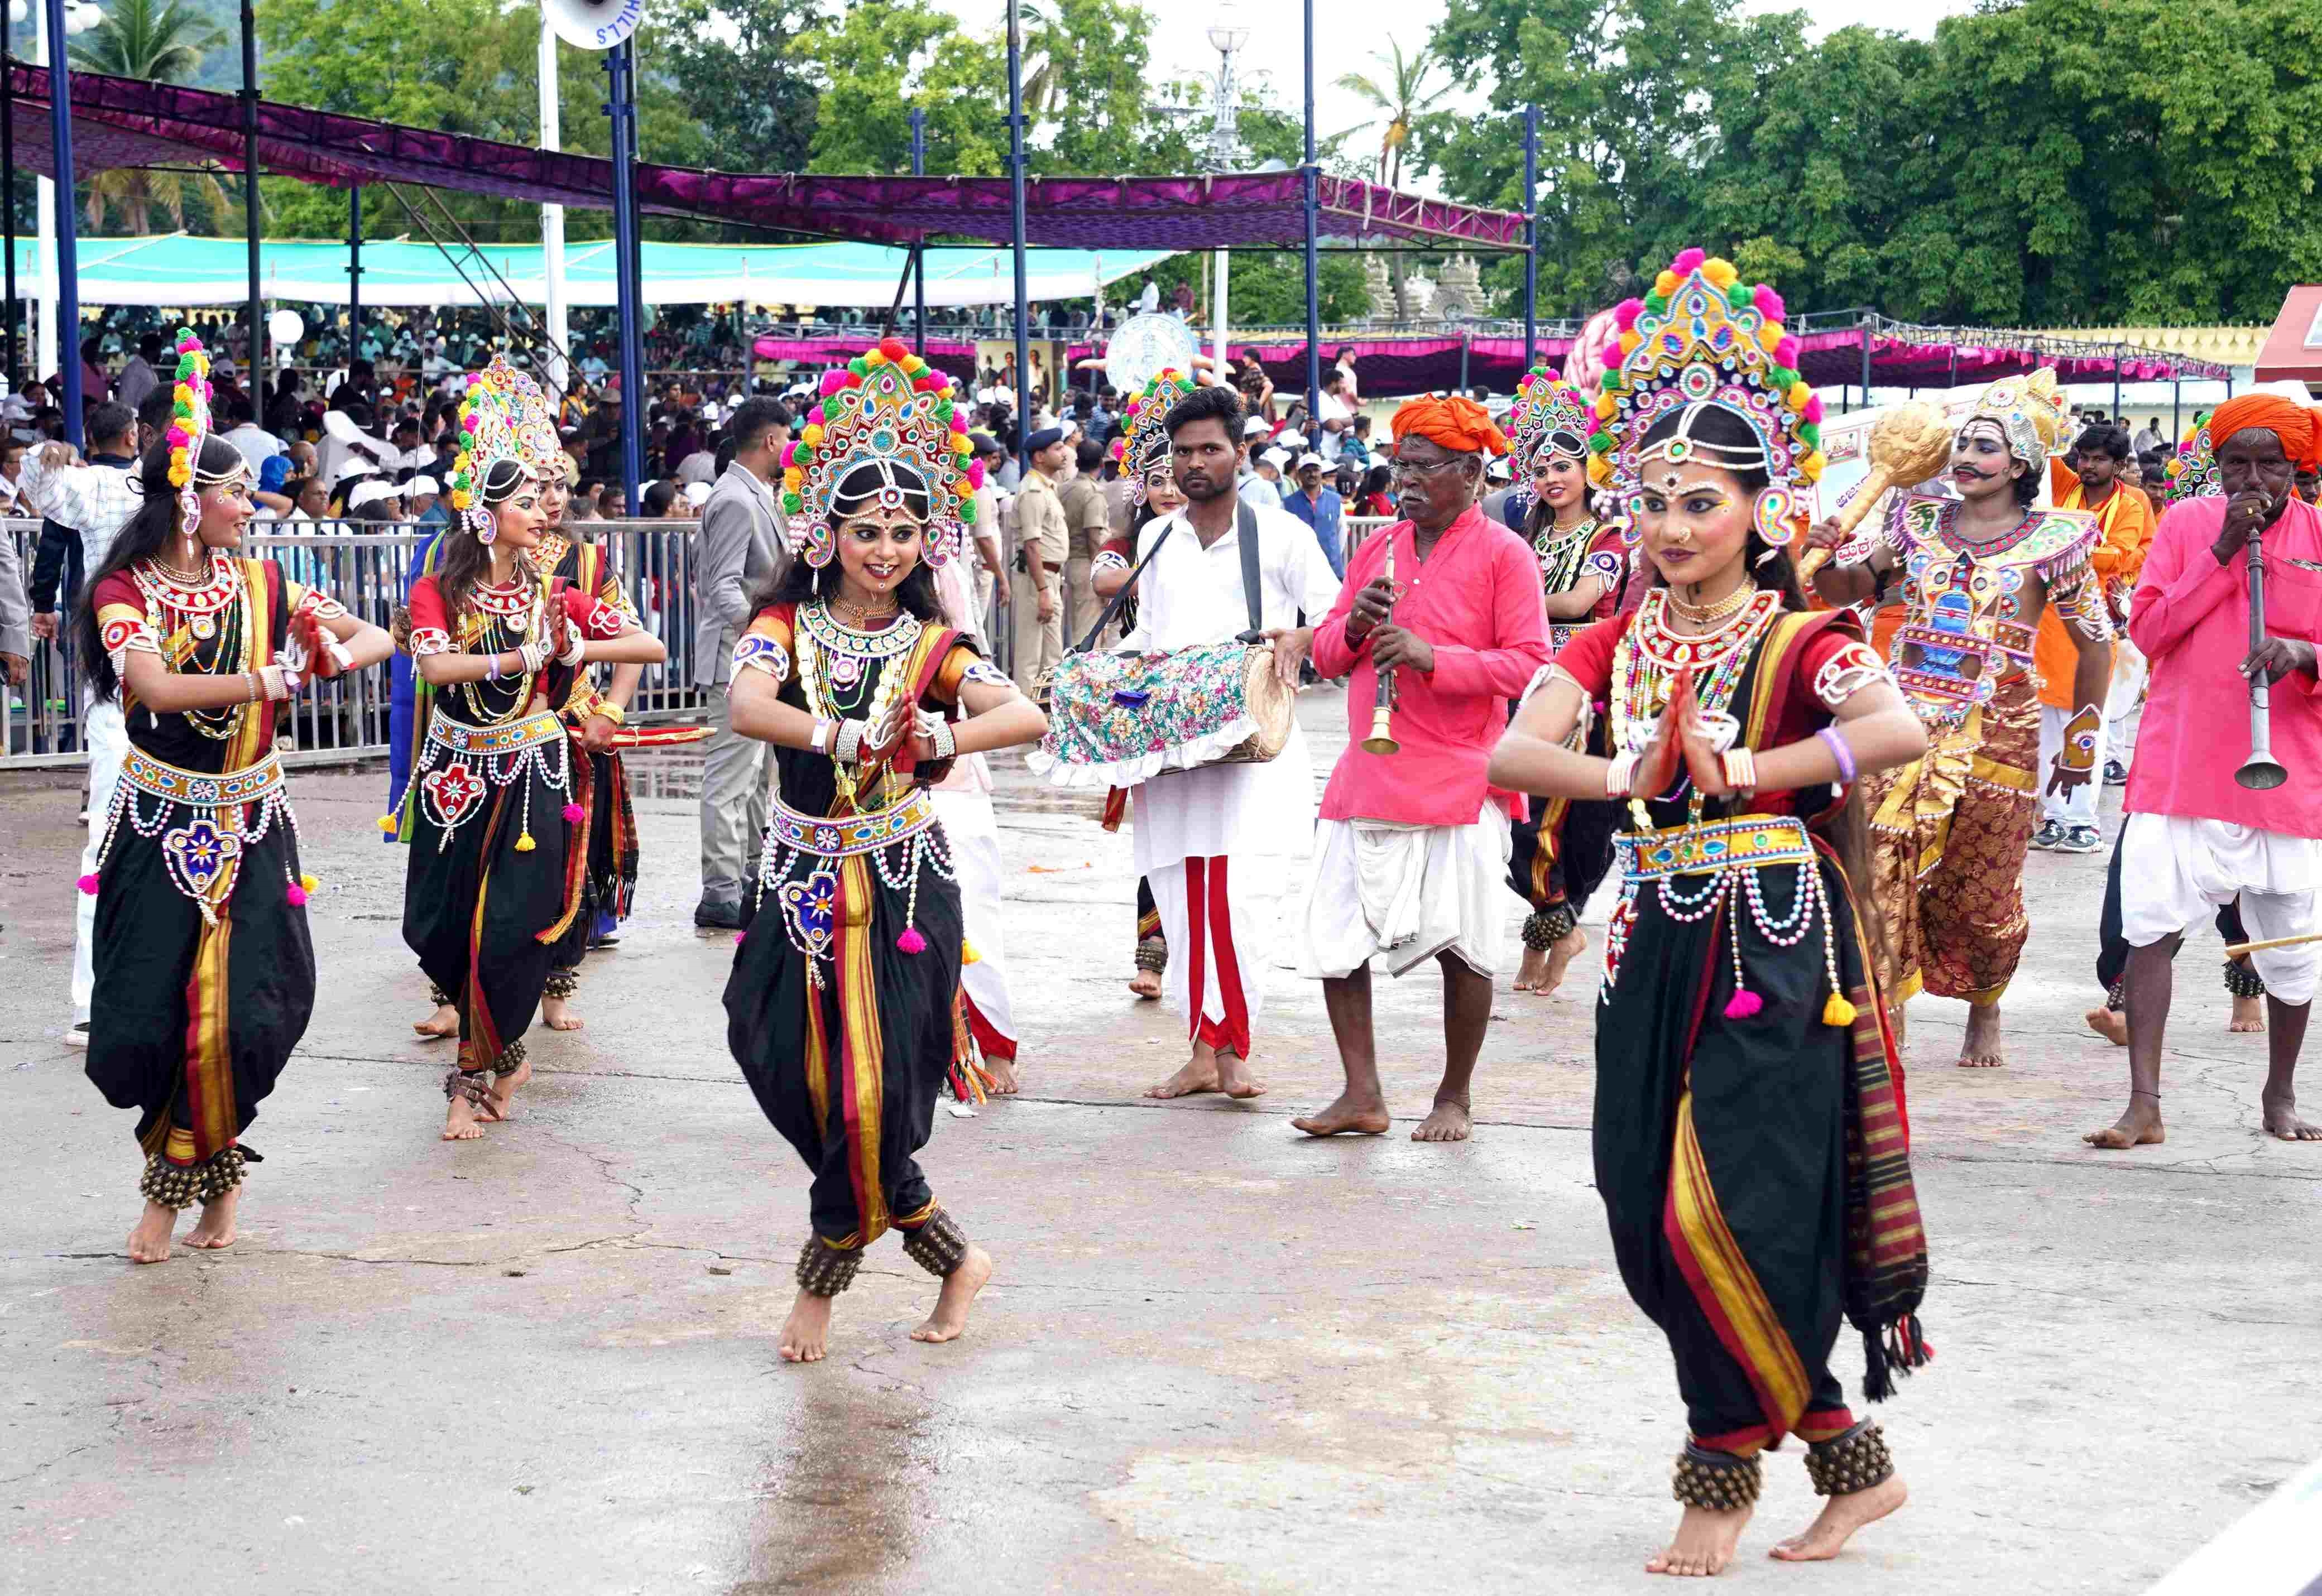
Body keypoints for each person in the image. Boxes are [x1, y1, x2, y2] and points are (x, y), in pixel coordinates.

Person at [1490, 249, 1931, 1577]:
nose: (1673, 528)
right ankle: (1853, 1462)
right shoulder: (1612, 643)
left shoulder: (1802, 640)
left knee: (1727, 1203)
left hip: (1775, 944)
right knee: (1641, 1203)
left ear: (1758, 507)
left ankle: (1718, 1465)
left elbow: (1898, 726)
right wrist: (1626, 774)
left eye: (1701, 502)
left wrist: (1747, 767)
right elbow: (1515, 757)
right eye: (1656, 503)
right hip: (1654, 940)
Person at [726, 336, 1045, 1362]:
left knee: (874, 1092)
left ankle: (822, 1282)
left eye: (905, 533)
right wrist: (835, 734)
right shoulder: (786, 623)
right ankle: (952, 1255)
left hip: (904, 891)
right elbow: (743, 706)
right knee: (781, 1060)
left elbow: (1025, 714)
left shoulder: (930, 646)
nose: (886, 551)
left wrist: (946, 735)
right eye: (866, 531)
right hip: (798, 882)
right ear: (825, 534)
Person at [75, 330, 392, 1262]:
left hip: (253, 824)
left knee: (249, 1015)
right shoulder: (124, 590)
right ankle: (201, 1175)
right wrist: (268, 679)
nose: (250, 508)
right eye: (235, 494)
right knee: (148, 1017)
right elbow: (156, 688)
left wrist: (321, 656)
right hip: (158, 822)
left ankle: (181, 1189)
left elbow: (373, 638)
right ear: (186, 501)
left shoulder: (265, 580)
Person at [1808, 368, 2113, 1069]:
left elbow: (2096, 641)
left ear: (2022, 465)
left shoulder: (2055, 538)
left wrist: (2081, 738)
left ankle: (1984, 1002)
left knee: (1980, 884)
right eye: (1964, 444)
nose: (1967, 459)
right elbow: (1849, 589)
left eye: (1986, 448)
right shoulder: (1916, 523)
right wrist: (1828, 549)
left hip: (1999, 728)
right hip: (1904, 717)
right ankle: (1885, 1006)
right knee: (1880, 855)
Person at [396, 358, 665, 1140]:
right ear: (486, 515)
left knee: (510, 929)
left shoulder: (558, 594)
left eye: (542, 502)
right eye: (523, 502)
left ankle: (472, 1078)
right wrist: (519, 660)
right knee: (437, 929)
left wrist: (578, 650)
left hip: (532, 778)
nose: (541, 514)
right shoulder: (439, 587)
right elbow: (437, 665)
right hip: (452, 775)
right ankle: (500, 1047)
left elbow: (646, 642)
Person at [1292, 396, 1549, 1142]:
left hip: (1464, 773)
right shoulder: (1377, 549)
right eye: (1398, 467)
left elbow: (1531, 666)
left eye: (1422, 468)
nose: (1403, 482)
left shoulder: (1507, 554)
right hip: (1367, 771)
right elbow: (1329, 653)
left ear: (1470, 473)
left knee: (1465, 944)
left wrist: (1436, 658)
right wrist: (1356, 626)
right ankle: (1361, 1092)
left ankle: (1453, 1097)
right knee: (1333, 932)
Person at [2089, 396, 2322, 1151]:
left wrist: (2306, 657)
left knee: (2292, 947)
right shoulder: (2189, 523)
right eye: (2236, 464)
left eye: (2271, 464)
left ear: (2299, 468)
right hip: (2183, 765)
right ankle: (2144, 1104)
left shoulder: (2320, 535)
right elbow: (2150, 631)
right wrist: (2221, 552)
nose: (2253, 479)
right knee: (2149, 930)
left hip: (2288, 776)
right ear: (2216, 466)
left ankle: (2280, 1093)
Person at [1123, 383, 1340, 1102]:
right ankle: (1199, 1048)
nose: (1194, 463)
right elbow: (1146, 637)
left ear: (1239, 453)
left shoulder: (1280, 534)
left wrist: (1303, 638)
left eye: (1210, 449)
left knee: (1241, 898)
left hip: (1254, 748)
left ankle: (1234, 1046)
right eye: (1182, 452)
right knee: (1183, 897)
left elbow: (1335, 616)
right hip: (1175, 751)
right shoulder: (1156, 538)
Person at [20, 397, 163, 1049]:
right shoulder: (114, 486)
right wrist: (42, 460)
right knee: (109, 833)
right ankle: (93, 998)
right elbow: (46, 488)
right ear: (139, 434)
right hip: (119, 682)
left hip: (174, 685)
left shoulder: (180, 495)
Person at [1501, 363, 1629, 996]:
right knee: (1516, 819)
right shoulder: (1527, 535)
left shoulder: (1606, 539)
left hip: (1580, 691)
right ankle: (1553, 928)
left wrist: (1510, 596)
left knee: (1558, 823)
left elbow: (1581, 603)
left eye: (1563, 466)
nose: (1552, 478)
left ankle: (1550, 934)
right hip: (1524, 680)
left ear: (1587, 470)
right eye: (1541, 468)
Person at [692, 396, 792, 931]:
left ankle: (751, 876)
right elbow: (722, 586)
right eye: (788, 435)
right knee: (732, 779)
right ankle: (720, 891)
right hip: (738, 653)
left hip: (752, 654)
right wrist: (761, 631)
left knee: (756, 779)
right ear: (771, 439)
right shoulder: (735, 499)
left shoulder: (755, 494)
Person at [2034, 422, 2153, 853]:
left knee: (2087, 723)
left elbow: (2120, 555)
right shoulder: (2066, 487)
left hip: (2091, 620)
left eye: (2099, 459)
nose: (2088, 466)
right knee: (2049, 722)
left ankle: (2082, 821)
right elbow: (2044, 456)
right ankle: (2052, 817)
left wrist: (2060, 545)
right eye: (2084, 458)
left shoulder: (2130, 503)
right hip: (2050, 621)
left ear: (2119, 466)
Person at [1010, 425, 1069, 696]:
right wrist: (1044, 590)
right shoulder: (1033, 491)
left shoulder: (1046, 488)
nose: (1064, 452)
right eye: (1057, 449)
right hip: (1038, 579)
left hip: (1050, 577)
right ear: (1040, 457)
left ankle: (1047, 714)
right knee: (1030, 655)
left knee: (1052, 655)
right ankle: (1024, 720)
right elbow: (1032, 546)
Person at [1058, 436, 1112, 645]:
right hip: (1087, 565)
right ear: (1101, 463)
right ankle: (1081, 676)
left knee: (1070, 629)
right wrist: (1101, 573)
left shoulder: (1063, 488)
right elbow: (1093, 537)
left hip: (1066, 564)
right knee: (1087, 630)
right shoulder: (1093, 493)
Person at [1282, 451, 1346, 578]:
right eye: (1307, 471)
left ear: (1321, 472)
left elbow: (1341, 534)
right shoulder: (1287, 504)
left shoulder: (1335, 500)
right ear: (1299, 474)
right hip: (1300, 571)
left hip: (1332, 571)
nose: (1312, 474)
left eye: (1316, 470)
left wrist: (1333, 554)